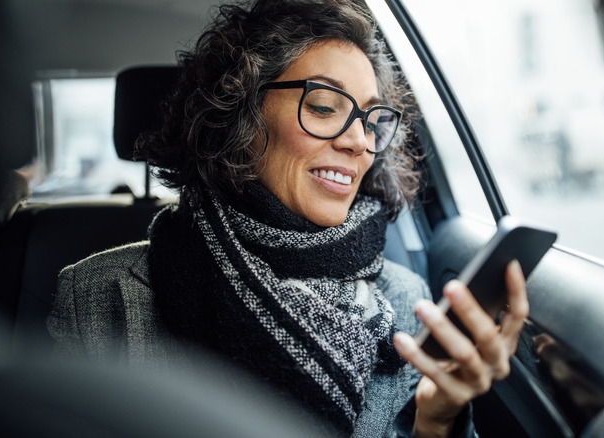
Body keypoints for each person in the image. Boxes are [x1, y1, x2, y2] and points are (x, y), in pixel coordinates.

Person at [47, 1, 529, 436]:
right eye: (324, 106)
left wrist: (437, 419)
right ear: (240, 115)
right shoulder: (98, 294)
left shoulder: (408, 301)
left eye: (370, 119)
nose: (359, 142)